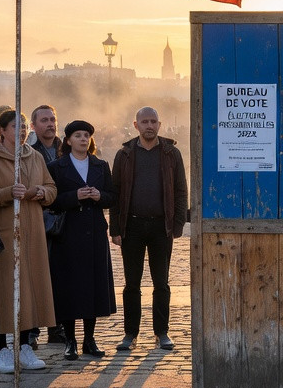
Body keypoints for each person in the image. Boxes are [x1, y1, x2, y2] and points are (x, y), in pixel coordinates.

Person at [0, 110, 57, 372]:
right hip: (4, 230)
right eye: (16, 126)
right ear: (2, 130)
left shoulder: (34, 156)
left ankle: (25, 345)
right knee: (3, 288)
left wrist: (39, 192)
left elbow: (52, 187)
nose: (22, 130)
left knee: (30, 287)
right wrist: (6, 193)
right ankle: (2, 349)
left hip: (32, 231)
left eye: (24, 126)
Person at [110, 107, 188, 352]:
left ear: (160, 124)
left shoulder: (171, 153)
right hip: (131, 225)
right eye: (145, 121)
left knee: (161, 282)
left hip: (160, 227)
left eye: (153, 121)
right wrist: (115, 228)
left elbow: (180, 190)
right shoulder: (124, 154)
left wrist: (177, 224)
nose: (149, 125)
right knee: (131, 283)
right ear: (136, 125)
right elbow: (116, 194)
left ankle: (161, 332)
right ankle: (130, 334)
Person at [45, 120, 117, 360]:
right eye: (78, 135)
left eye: (86, 135)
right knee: (68, 287)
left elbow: (112, 197)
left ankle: (90, 339)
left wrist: (99, 196)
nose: (83, 139)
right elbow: (51, 201)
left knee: (92, 286)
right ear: (68, 140)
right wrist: (74, 196)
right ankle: (70, 341)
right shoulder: (56, 166)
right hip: (68, 233)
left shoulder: (100, 165)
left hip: (94, 232)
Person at [27, 105, 62, 346]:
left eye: (52, 119)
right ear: (33, 125)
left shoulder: (65, 147)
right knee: (34, 275)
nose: (50, 124)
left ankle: (57, 326)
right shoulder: (28, 151)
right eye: (44, 120)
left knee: (59, 276)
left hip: (63, 218)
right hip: (36, 218)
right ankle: (31, 329)